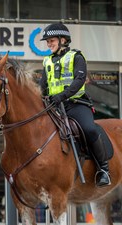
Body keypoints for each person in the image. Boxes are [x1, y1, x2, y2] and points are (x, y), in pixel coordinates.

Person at [39, 23, 110, 187]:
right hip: (55, 106)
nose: (48, 44)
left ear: (63, 40)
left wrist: (61, 96)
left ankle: (103, 169)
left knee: (89, 129)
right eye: (47, 41)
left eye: (51, 40)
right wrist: (42, 98)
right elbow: (43, 84)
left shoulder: (76, 57)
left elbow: (79, 81)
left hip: (76, 104)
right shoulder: (47, 61)